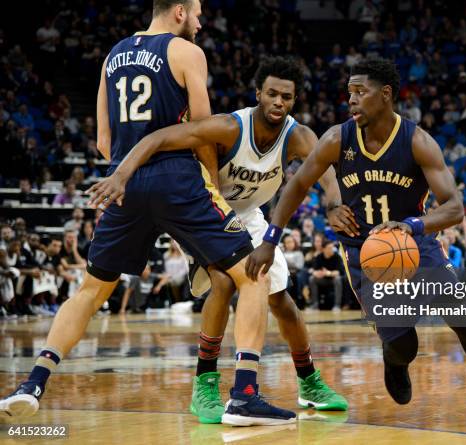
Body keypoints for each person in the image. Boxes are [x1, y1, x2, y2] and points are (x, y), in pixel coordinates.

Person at [1, 0, 295, 427]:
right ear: (178, 11)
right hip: (176, 178)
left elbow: (104, 141)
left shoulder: (112, 56)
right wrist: (212, 189)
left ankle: (33, 382)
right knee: (253, 274)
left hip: (125, 180)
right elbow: (202, 132)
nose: (198, 22)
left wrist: (129, 171)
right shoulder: (186, 52)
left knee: (90, 291)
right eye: (195, 13)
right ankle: (245, 393)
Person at [245, 58, 466, 427]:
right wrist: (271, 238)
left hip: (414, 245)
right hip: (366, 254)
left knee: (462, 314)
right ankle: (395, 360)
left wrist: (412, 226)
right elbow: (298, 185)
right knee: (404, 346)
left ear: (385, 95)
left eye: (359, 92)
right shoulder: (337, 138)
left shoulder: (417, 142)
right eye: (349, 92)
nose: (351, 100)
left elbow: (454, 208)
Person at [85, 56, 347, 423]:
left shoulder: (298, 135)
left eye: (286, 97)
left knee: (281, 301)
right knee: (223, 282)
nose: (278, 102)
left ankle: (309, 381)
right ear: (258, 93)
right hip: (203, 211)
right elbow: (160, 137)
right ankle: (205, 384)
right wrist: (122, 173)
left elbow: (326, 172)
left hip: (249, 215)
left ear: (294, 100)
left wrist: (333, 204)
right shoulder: (229, 127)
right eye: (271, 93)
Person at [308, 240, 344, 311]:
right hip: (323, 279)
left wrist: (328, 273)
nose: (331, 250)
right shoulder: (319, 257)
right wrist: (317, 273)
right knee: (312, 279)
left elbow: (338, 272)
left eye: (332, 248)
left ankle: (337, 305)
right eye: (329, 248)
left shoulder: (337, 257)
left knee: (337, 279)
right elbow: (314, 270)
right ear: (323, 249)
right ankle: (315, 304)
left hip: (333, 279)